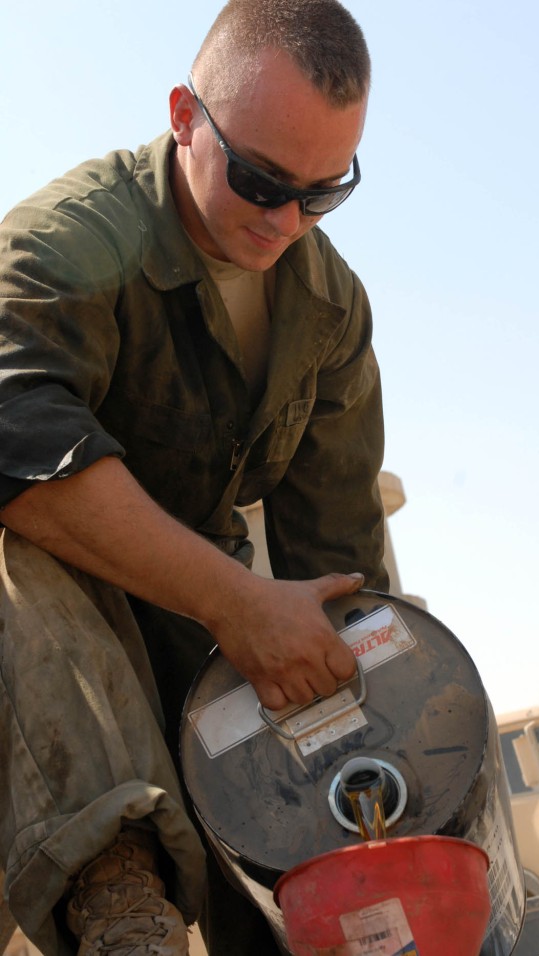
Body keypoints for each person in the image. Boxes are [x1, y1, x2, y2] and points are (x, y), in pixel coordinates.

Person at [0, 0, 387, 953]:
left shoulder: (329, 311)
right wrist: (238, 605)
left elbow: (337, 565)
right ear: (183, 114)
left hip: (194, 616)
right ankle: (112, 880)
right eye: (258, 179)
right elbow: (15, 441)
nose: (285, 220)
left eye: (322, 193)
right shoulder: (65, 243)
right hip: (44, 626)